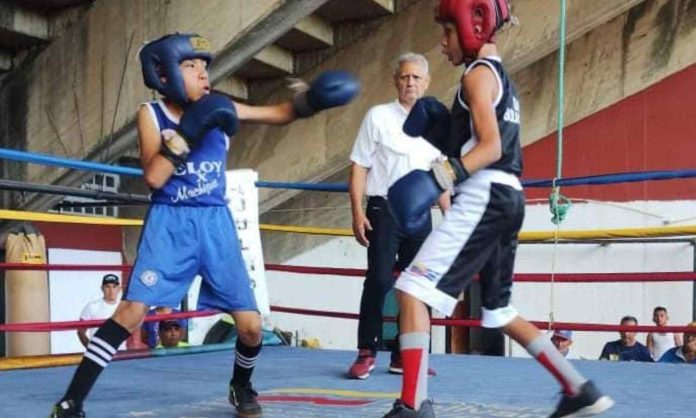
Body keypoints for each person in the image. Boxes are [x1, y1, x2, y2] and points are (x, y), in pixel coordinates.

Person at [50, 32, 359, 418]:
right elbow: (154, 177)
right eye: (191, 65)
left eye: (205, 66)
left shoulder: (221, 106)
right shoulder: (151, 114)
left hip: (215, 223)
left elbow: (278, 114)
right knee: (130, 312)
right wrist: (188, 132)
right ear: (166, 74)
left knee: (250, 326)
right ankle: (72, 400)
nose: (203, 73)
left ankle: (241, 385)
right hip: (170, 223)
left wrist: (311, 100)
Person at [382, 1, 614, 417]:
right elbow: (481, 140)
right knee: (499, 310)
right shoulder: (498, 78)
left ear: (472, 29)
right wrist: (448, 137)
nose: (443, 42)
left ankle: (412, 406)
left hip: (485, 195)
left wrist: (441, 176)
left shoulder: (476, 78)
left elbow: (491, 147)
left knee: (411, 292)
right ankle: (579, 388)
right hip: (509, 197)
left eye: (448, 33)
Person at [347, 53, 447, 379]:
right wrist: (357, 211)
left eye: (417, 78)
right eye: (405, 77)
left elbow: (442, 175)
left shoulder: (435, 122)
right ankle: (366, 351)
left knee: (417, 287)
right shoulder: (377, 116)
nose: (411, 83)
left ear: (427, 82)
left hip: (421, 213)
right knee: (378, 279)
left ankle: (408, 356)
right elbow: (359, 165)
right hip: (384, 208)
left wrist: (452, 220)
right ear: (396, 80)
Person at [77, 274, 122, 349]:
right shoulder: (92, 306)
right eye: (107, 287)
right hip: (99, 353)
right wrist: (91, 349)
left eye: (114, 287)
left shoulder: (123, 307)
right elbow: (80, 332)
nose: (111, 290)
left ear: (119, 289)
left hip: (120, 353)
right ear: (102, 288)